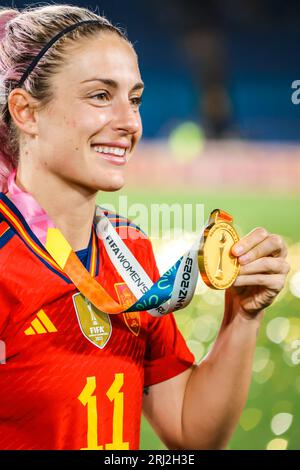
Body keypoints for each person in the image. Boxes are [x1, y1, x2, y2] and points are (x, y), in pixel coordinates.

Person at [0, 4, 290, 451]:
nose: (129, 123)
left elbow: (191, 433)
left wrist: (243, 317)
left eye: (133, 99)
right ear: (26, 111)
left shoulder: (127, 247)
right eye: (100, 96)